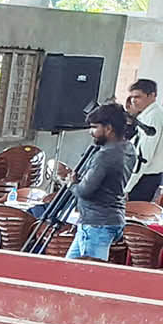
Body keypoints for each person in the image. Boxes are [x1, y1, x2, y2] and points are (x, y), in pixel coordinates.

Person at [66, 104, 133, 263]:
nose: (91, 132)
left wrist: (72, 183)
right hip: (111, 219)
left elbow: (84, 190)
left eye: (95, 127)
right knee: (68, 270)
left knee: (90, 274)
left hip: (96, 224)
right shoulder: (129, 149)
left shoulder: (104, 156)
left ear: (108, 128)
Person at [124, 78, 163, 203]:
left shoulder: (153, 117)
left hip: (144, 177)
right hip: (143, 176)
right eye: (132, 97)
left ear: (152, 96)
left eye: (138, 97)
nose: (134, 100)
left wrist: (127, 187)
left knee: (132, 217)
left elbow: (144, 155)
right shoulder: (146, 114)